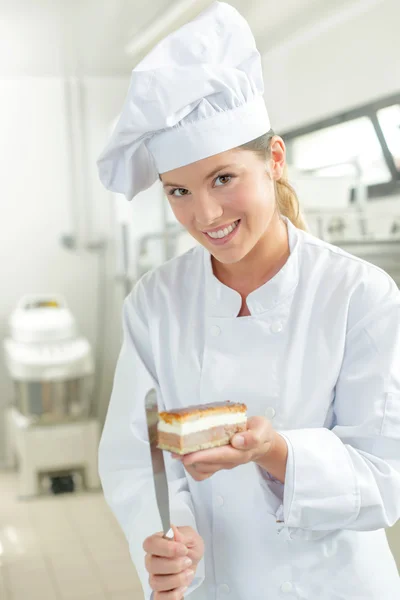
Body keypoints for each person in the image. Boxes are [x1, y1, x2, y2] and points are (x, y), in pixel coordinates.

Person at [96, 2, 400, 599]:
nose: (203, 215)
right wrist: (167, 541)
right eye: (178, 190)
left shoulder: (357, 294)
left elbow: (387, 477)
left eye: (223, 178)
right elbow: (136, 460)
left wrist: (275, 451)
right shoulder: (155, 303)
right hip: (213, 586)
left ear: (276, 161)